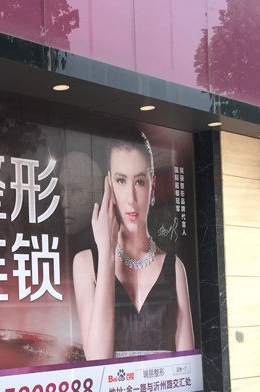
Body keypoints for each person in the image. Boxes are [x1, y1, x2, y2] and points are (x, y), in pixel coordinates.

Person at [72, 127, 194, 360]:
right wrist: (106, 254)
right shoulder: (85, 263)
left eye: (139, 182)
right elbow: (97, 359)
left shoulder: (175, 268)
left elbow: (187, 366)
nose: (131, 198)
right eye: (121, 181)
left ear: (152, 187)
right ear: (109, 186)